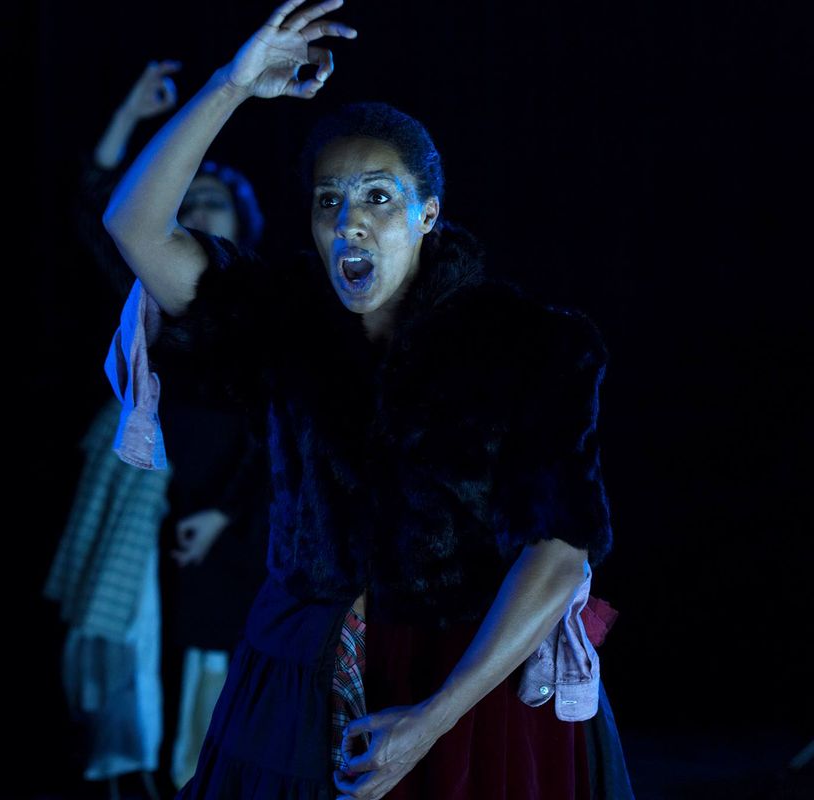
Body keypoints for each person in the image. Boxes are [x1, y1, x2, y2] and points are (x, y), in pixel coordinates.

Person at [101, 1, 628, 797]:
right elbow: (135, 228)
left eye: (379, 197)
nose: (350, 222)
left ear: (428, 214)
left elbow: (559, 551)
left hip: (470, 686)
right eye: (329, 201)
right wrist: (231, 86)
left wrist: (431, 720)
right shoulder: (281, 320)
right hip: (301, 672)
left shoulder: (530, 345)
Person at [45, 59, 270, 799]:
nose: (200, 209)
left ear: (242, 221)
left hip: (225, 511)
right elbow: (96, 212)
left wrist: (225, 513)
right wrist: (127, 115)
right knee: (129, 638)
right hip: (142, 497)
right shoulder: (144, 290)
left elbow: (273, 426)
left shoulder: (259, 306)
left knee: (212, 652)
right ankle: (130, 779)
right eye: (189, 197)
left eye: (215, 201)